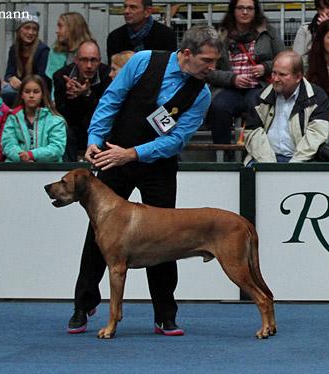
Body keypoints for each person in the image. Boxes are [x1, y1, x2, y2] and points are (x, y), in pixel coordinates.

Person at [67, 25, 218, 336]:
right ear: (187, 54)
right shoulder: (143, 61)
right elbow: (111, 99)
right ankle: (83, 304)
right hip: (111, 155)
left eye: (215, 61)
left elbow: (175, 141)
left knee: (166, 237)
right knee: (98, 235)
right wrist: (95, 139)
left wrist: (132, 154)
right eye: (207, 60)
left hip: (157, 165)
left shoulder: (200, 94)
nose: (212, 68)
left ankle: (165, 313)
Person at [205, 0, 286, 145]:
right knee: (219, 107)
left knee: (256, 105)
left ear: (256, 11)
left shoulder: (268, 31)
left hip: (259, 86)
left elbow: (284, 60)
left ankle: (255, 152)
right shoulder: (220, 34)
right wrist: (232, 79)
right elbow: (209, 72)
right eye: (241, 8)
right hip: (229, 88)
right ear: (233, 10)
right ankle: (223, 153)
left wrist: (265, 68)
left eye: (249, 8)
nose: (245, 12)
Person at [242, 50, 329, 165]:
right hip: (263, 160)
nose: (275, 79)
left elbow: (316, 135)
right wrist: (270, 166)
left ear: (298, 77)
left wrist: (292, 167)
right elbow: (253, 134)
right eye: (274, 73)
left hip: (303, 161)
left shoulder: (317, 97)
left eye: (282, 74)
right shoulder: (260, 97)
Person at [53, 40, 112, 161]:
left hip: (98, 125)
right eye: (84, 60)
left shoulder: (108, 76)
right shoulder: (61, 76)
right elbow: (61, 115)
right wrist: (71, 96)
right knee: (65, 132)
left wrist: (87, 94)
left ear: (100, 61)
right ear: (76, 60)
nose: (89, 65)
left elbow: (105, 113)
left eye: (93, 60)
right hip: (73, 125)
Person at [0, 75, 66, 163]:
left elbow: (57, 148)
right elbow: (8, 144)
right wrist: (21, 157)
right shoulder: (13, 118)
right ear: (22, 95)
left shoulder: (56, 120)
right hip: (17, 167)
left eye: (36, 92)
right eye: (27, 92)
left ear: (42, 94)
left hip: (47, 170)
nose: (31, 95)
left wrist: (32, 155)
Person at [3, 9, 51, 103]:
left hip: (35, 92)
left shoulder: (42, 50)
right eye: (27, 28)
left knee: (6, 92)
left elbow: (42, 79)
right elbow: (9, 73)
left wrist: (23, 85)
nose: (30, 32)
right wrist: (11, 78)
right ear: (19, 29)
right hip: (20, 90)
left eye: (34, 29)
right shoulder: (14, 49)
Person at [105, 0, 178, 58]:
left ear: (147, 12)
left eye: (133, 7)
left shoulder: (166, 35)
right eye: (125, 7)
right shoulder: (115, 37)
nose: (126, 11)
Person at [46, 12, 94, 81]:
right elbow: (50, 79)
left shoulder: (89, 50)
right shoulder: (56, 50)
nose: (57, 31)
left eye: (60, 26)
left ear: (72, 28)